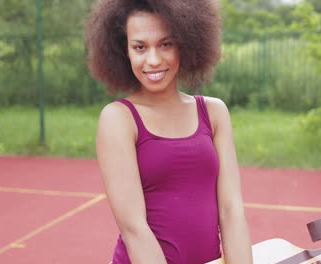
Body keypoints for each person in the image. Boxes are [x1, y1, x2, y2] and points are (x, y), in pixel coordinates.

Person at [85, 0, 253, 263]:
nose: (153, 60)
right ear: (124, 51)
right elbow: (134, 229)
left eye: (166, 44)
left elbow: (231, 212)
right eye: (140, 47)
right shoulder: (119, 118)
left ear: (185, 43)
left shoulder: (214, 113)